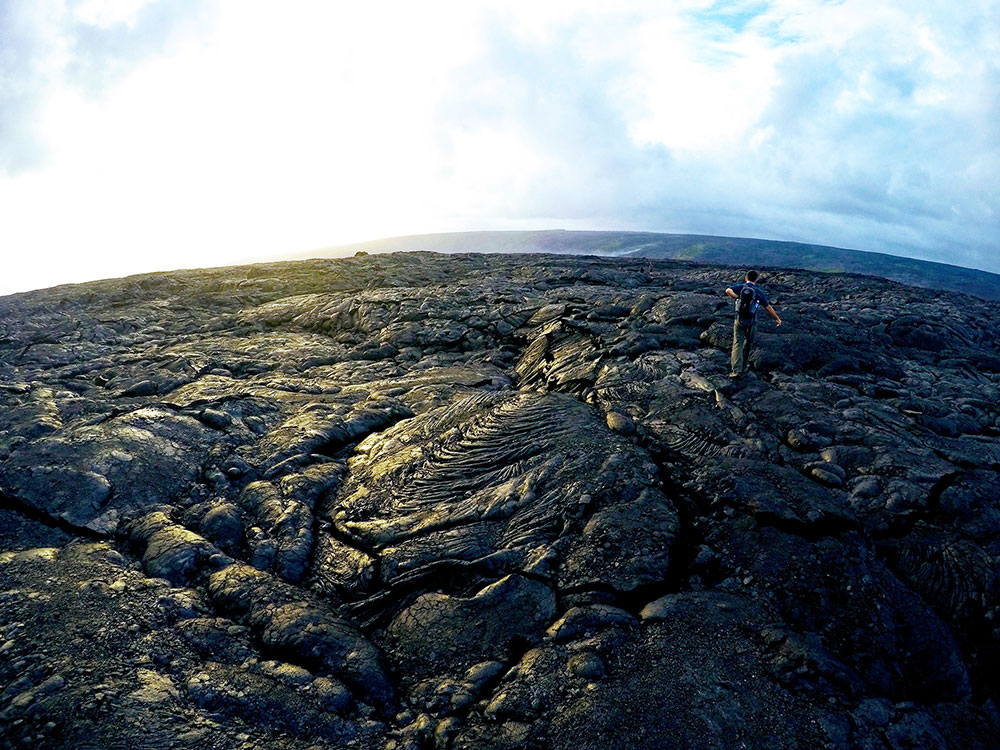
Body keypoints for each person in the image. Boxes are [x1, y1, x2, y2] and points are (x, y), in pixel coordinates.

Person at [725, 270, 781, 377]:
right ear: (756, 280)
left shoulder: (741, 287)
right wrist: (777, 319)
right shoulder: (757, 292)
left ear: (746, 278)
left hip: (739, 320)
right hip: (751, 322)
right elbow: (768, 307)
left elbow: (728, 290)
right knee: (748, 344)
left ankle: (736, 370)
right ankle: (744, 367)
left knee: (737, 344)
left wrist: (737, 298)